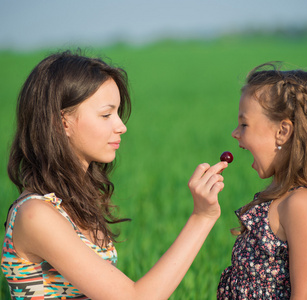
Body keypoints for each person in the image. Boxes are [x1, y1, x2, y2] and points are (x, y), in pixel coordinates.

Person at [1, 50, 228, 300]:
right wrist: (202, 217)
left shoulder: (76, 202)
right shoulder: (36, 215)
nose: (121, 126)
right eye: (106, 115)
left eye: (118, 113)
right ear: (61, 122)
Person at [217, 62, 307, 299]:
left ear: (283, 132)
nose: (235, 133)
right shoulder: (277, 194)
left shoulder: (301, 203)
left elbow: (305, 295)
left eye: (244, 124)